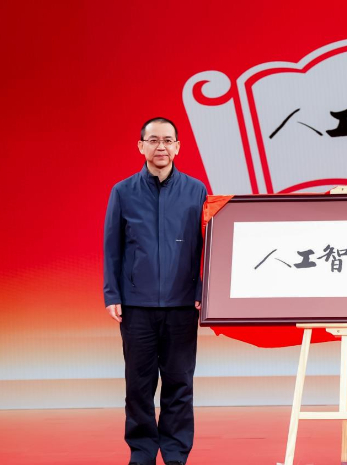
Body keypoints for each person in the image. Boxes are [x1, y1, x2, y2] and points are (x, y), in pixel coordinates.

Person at [103, 117, 208, 465]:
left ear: (177, 146)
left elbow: (206, 247)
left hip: (182, 305)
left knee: (180, 383)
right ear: (141, 146)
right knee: (139, 385)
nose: (160, 146)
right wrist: (112, 294)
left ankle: (176, 454)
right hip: (137, 306)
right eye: (153, 140)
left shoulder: (196, 191)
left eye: (167, 140)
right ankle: (142, 453)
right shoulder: (123, 192)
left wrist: (202, 289)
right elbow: (112, 247)